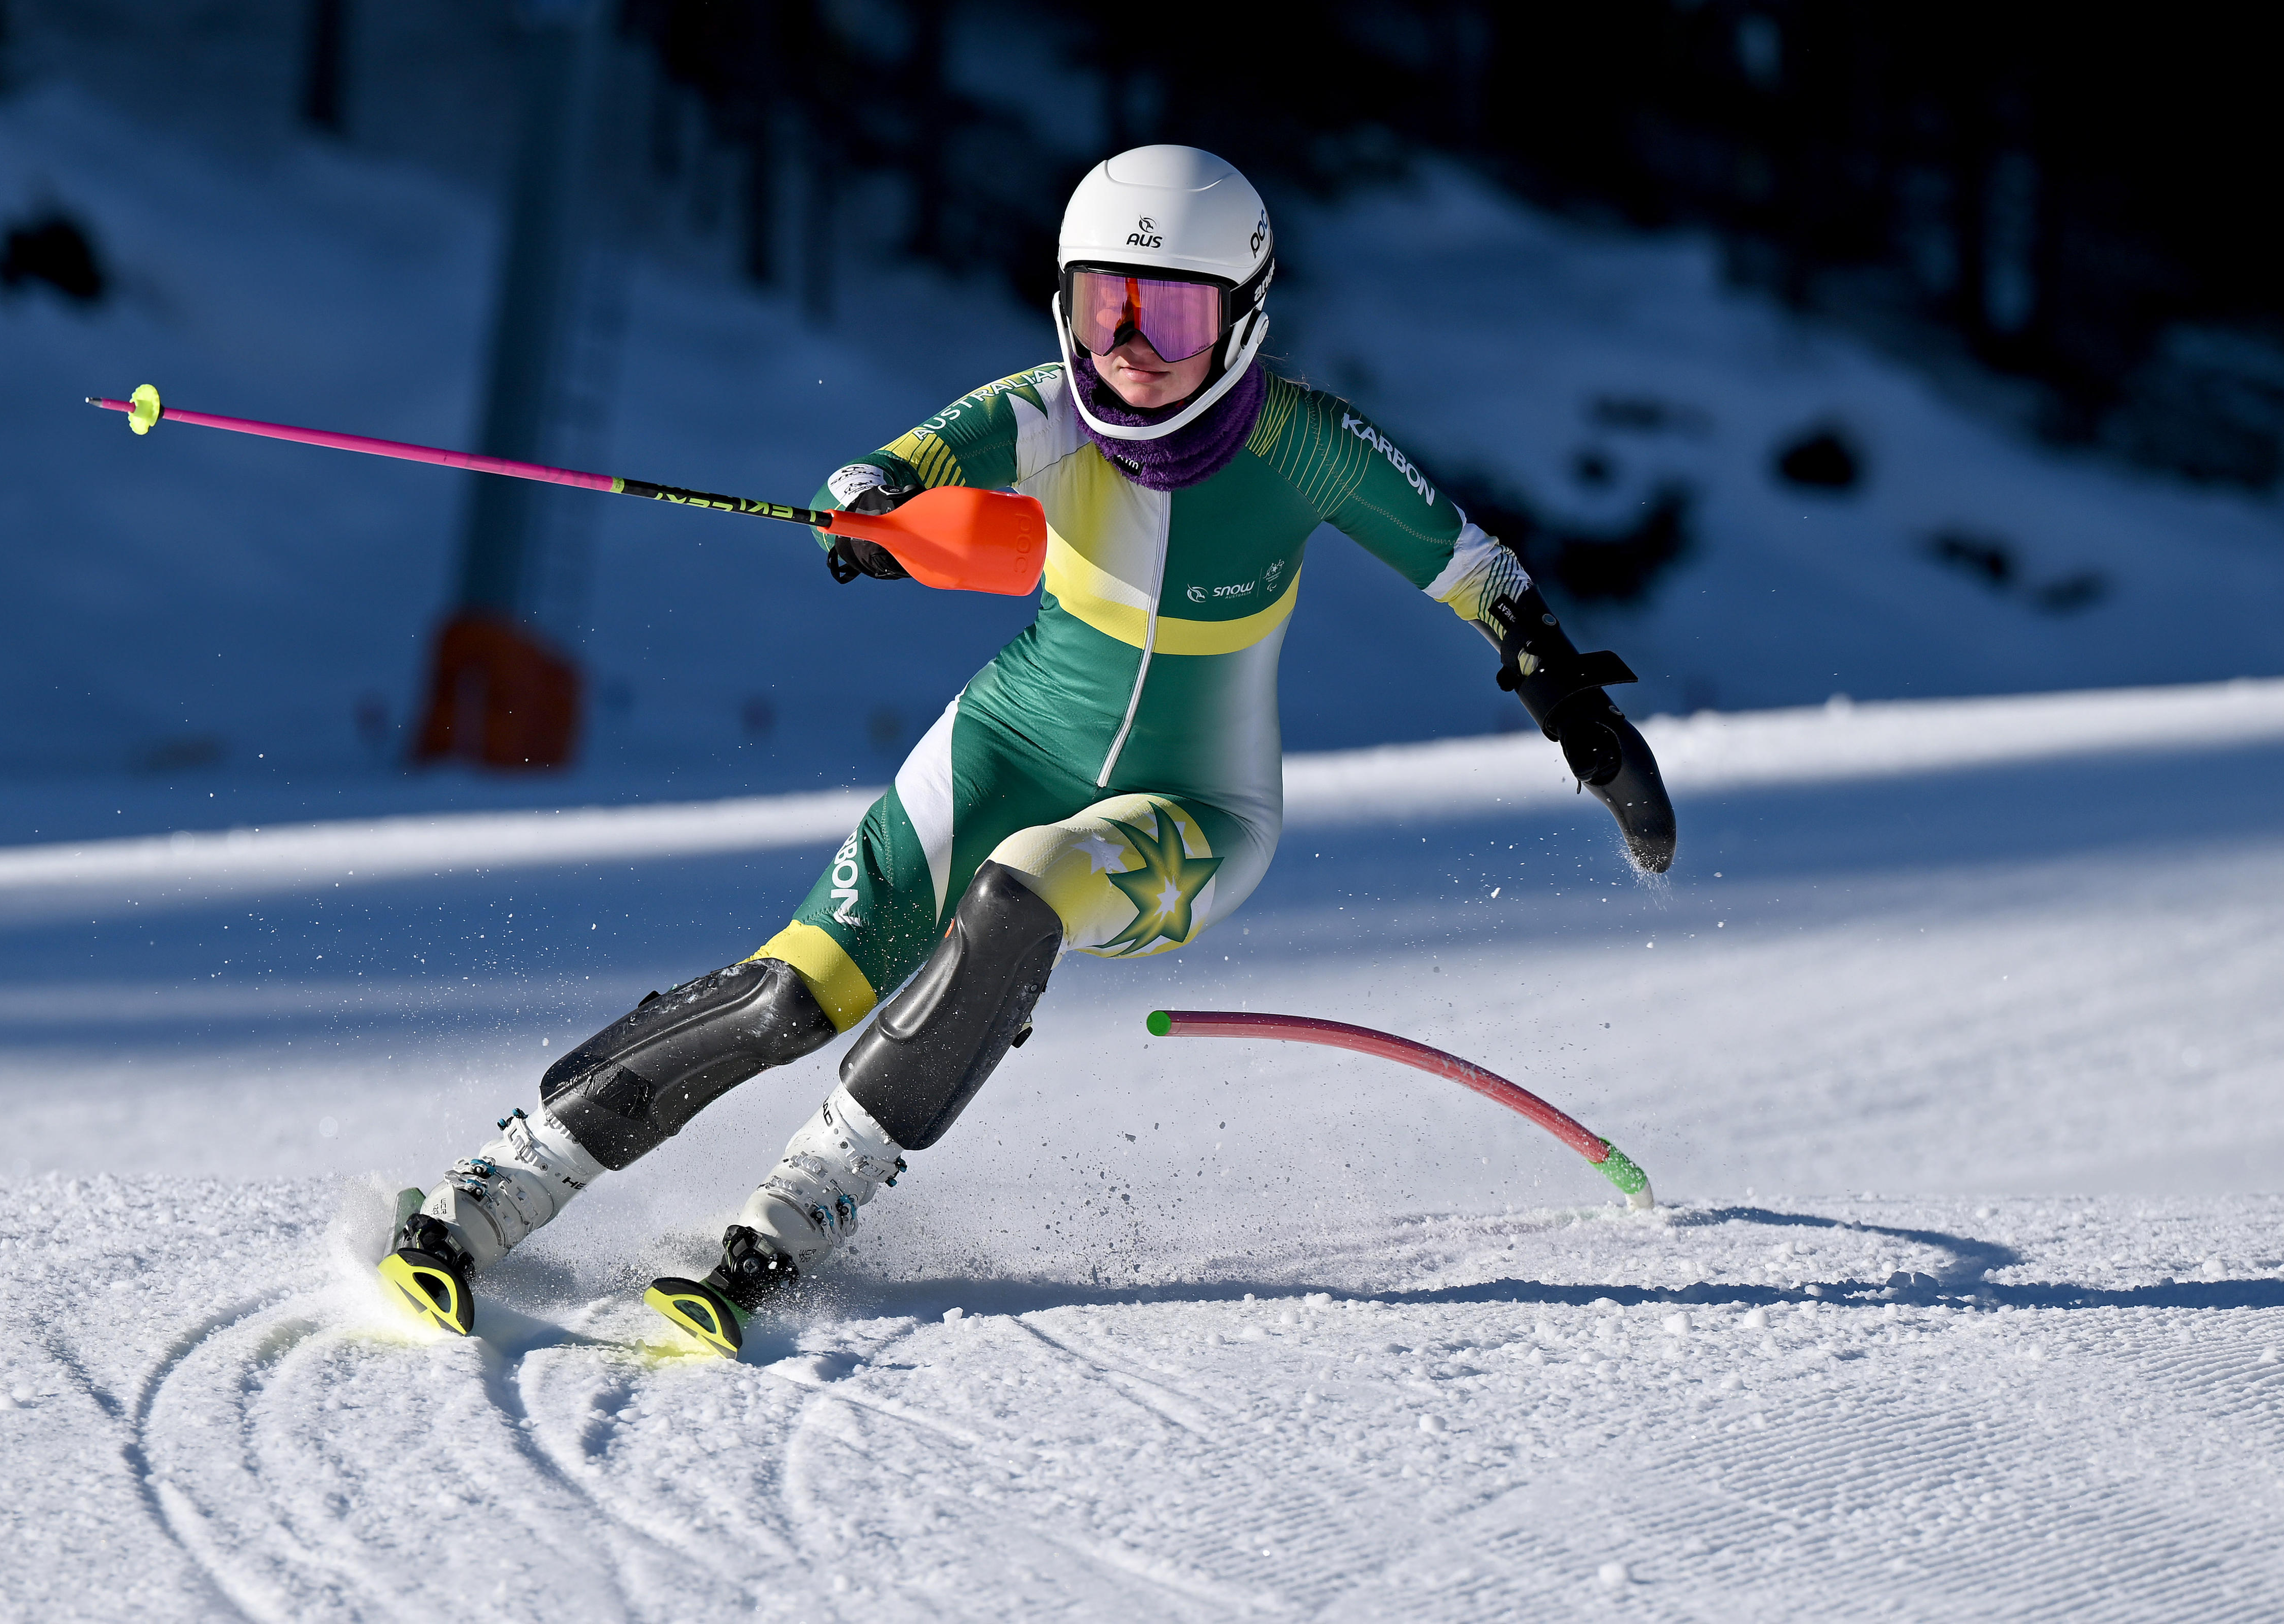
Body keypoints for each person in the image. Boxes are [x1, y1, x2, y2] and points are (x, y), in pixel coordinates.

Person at [378, 145, 1674, 1352]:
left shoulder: (1306, 446)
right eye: (1107, 306)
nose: (1131, 350)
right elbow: (909, 458)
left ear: (1245, 316)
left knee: (1025, 889)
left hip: (1196, 811)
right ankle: (491, 1189)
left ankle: (794, 1217)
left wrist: (1575, 705)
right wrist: (866, 503)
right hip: (1002, 745)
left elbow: (1474, 567)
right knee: (793, 993)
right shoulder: (1047, 411)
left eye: (1170, 317)